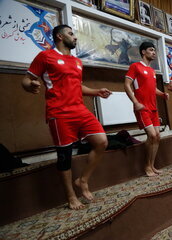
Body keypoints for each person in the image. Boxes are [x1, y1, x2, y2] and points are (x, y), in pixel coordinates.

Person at [22, 24, 112, 210]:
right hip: (59, 113)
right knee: (65, 156)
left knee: (102, 141)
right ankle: (71, 197)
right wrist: (30, 85)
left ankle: (82, 180)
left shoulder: (77, 62)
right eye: (71, 34)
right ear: (60, 36)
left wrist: (96, 91)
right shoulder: (45, 56)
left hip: (80, 110)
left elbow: (78, 86)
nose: (75, 37)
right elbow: (26, 79)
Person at [124, 42, 169, 177]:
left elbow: (152, 88)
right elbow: (127, 84)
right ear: (143, 52)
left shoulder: (152, 71)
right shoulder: (135, 66)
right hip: (142, 107)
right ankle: (146, 166)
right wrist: (135, 102)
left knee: (158, 136)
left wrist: (162, 94)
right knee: (152, 135)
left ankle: (152, 165)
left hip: (153, 108)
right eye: (151, 50)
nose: (154, 52)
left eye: (154, 50)